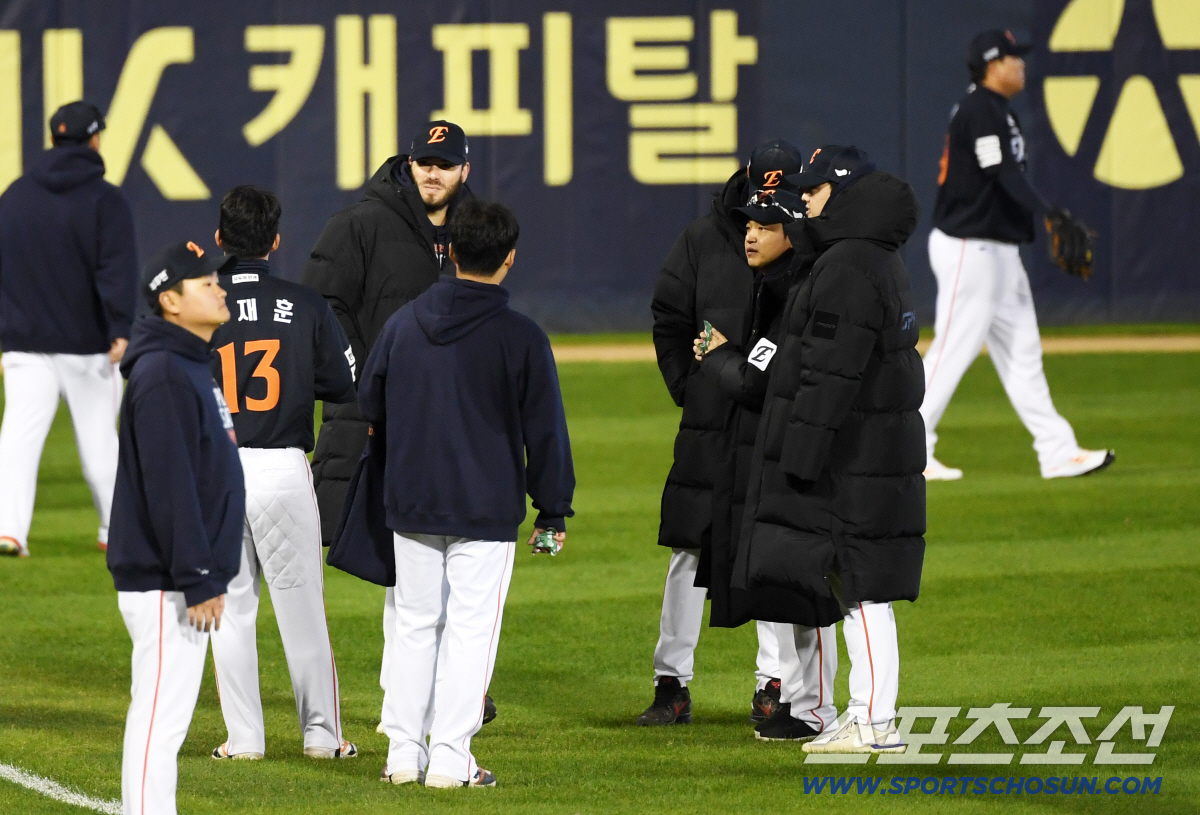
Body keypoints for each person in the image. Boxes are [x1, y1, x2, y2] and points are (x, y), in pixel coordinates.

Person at [359, 199, 574, 787]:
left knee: (413, 625)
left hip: (411, 503)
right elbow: (546, 432)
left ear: (449, 251)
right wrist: (552, 509)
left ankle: (403, 754)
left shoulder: (403, 323)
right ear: (510, 259)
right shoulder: (522, 336)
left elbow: (369, 407)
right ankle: (451, 759)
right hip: (485, 510)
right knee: (470, 632)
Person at [302, 120, 495, 727]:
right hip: (377, 414)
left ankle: (429, 694)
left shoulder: (475, 231)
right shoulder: (362, 223)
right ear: (408, 164)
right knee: (406, 566)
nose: (431, 172)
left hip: (451, 421)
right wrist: (363, 376)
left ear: (465, 169)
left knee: (438, 563)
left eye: (444, 162)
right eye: (423, 161)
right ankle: (411, 701)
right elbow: (322, 306)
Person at [736, 145, 926, 754]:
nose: (807, 201)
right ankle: (867, 712)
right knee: (854, 584)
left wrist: (800, 455)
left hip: (854, 453)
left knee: (861, 585)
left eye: (816, 191)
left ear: (841, 195)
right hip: (872, 447)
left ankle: (873, 719)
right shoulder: (875, 258)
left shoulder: (847, 265)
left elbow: (829, 373)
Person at [641, 141, 806, 726]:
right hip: (712, 422)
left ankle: (775, 685)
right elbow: (669, 314)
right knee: (691, 546)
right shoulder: (705, 238)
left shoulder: (806, 243)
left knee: (769, 549)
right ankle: (671, 685)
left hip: (767, 423)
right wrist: (690, 385)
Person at [206, 186, 358, 760]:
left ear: (220, 238)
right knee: (301, 609)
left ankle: (244, 740)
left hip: (217, 472)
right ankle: (321, 737)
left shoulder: (198, 301)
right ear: (274, 240)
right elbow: (344, 383)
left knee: (231, 609)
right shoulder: (305, 303)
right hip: (284, 471)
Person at [921, 30, 1113, 481]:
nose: (1021, 65)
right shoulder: (980, 110)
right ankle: (908, 449)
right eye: (1013, 58)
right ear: (993, 66)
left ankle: (1057, 451)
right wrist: (1048, 213)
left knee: (1023, 353)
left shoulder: (993, 109)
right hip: (971, 248)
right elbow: (1001, 172)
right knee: (952, 351)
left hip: (997, 251)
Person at [693, 184, 842, 742]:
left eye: (766, 225)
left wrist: (716, 354)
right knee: (786, 582)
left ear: (792, 235)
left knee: (811, 585)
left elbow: (758, 381)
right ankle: (803, 703)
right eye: (748, 224)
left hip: (797, 454)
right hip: (773, 451)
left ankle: (815, 708)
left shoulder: (796, 290)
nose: (751, 234)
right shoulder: (772, 284)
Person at [107, 241, 242, 814]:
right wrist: (198, 574)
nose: (219, 287)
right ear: (170, 300)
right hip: (168, 580)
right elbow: (170, 485)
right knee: (160, 720)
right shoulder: (164, 373)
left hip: (177, 575)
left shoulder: (186, 363)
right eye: (204, 282)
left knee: (166, 719)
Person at [0, 101, 137, 557]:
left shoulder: (15, 194)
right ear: (95, 139)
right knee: (100, 441)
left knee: (18, 435)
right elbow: (115, 270)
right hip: (87, 344)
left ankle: (9, 530)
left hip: (23, 342)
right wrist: (121, 327)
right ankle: (114, 529)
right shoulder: (105, 198)